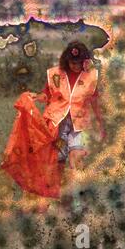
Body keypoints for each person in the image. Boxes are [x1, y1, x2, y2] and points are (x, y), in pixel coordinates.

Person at [31, 41, 106, 211]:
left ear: (85, 61)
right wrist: (36, 97)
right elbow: (46, 94)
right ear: (66, 61)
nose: (75, 66)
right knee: (57, 162)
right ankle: (52, 200)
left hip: (79, 125)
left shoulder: (91, 77)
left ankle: (77, 204)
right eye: (72, 63)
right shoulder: (55, 74)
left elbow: (95, 102)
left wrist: (101, 125)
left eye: (79, 63)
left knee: (76, 161)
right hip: (57, 124)